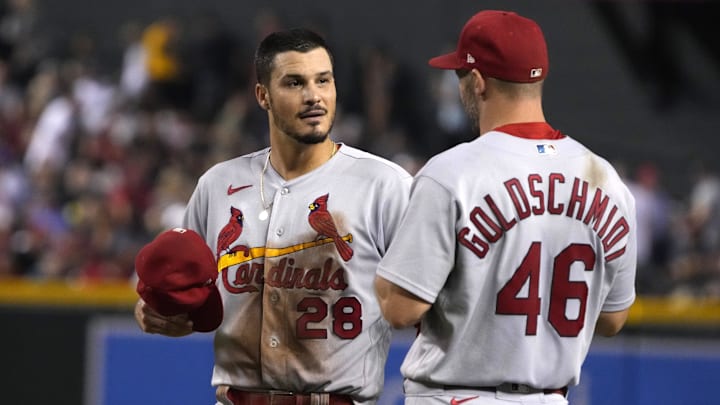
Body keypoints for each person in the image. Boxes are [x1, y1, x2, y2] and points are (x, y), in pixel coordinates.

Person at [134, 28, 412, 405]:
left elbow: (430, 309)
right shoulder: (218, 185)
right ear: (262, 95)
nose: (314, 95)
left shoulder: (384, 185)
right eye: (294, 83)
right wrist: (157, 313)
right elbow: (185, 294)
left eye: (323, 81)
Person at [374, 10, 637, 405]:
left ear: (478, 82)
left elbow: (400, 308)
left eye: (460, 76)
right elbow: (613, 320)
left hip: (455, 395)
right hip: (548, 397)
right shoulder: (606, 179)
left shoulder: (452, 172)